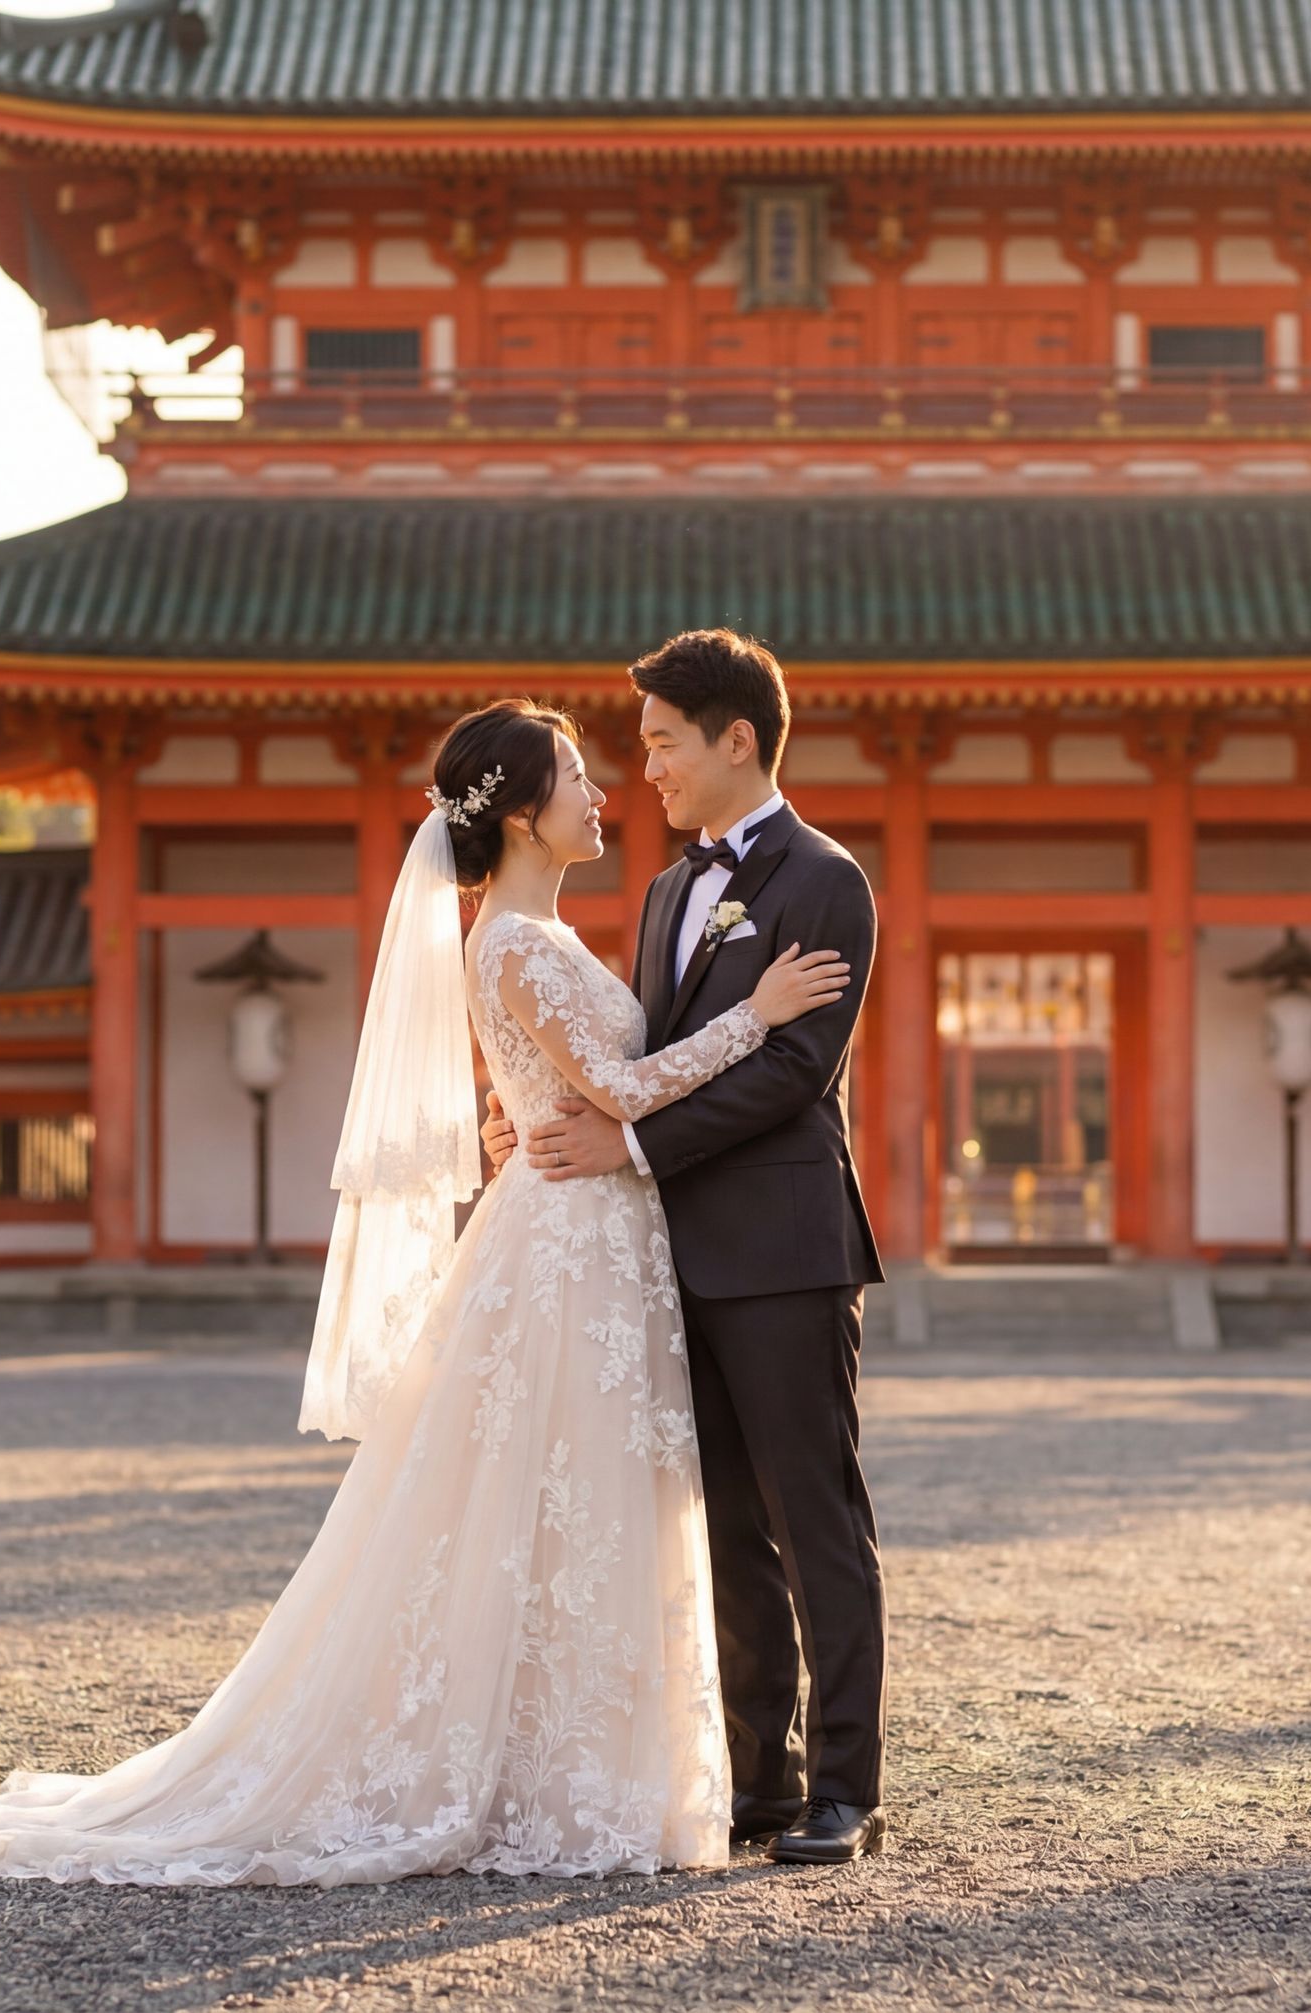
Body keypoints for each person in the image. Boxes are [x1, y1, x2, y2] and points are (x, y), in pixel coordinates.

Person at [0, 698, 851, 1886]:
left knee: (585, 1502)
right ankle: (556, 1768)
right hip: (569, 1244)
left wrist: (525, 1112)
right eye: (581, 775)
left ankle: (585, 1761)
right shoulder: (516, 944)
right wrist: (760, 1013)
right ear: (525, 813)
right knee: (565, 1495)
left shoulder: (539, 932)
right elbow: (628, 1092)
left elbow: (575, 1088)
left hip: (599, 1236)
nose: (608, 791)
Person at [486, 629, 890, 1866]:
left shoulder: (826, 882)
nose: (644, 766)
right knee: (721, 1532)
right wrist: (555, 1112)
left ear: (738, 740)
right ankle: (759, 1781)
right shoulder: (665, 889)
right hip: (660, 1263)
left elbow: (790, 1071)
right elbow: (639, 1066)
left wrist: (631, 1151)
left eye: (663, 741)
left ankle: (846, 1790)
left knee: (811, 1513)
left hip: (781, 1247)